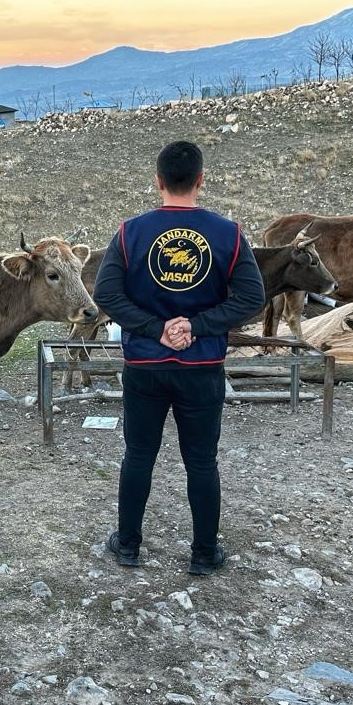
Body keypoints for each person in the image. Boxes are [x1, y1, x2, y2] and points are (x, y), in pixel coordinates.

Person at [94, 141, 265, 575]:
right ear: (201, 180)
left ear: (158, 181)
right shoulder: (229, 233)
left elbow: (106, 294)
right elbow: (252, 296)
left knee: (138, 455)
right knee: (202, 461)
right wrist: (197, 326)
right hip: (202, 368)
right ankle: (204, 555)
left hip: (145, 368)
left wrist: (155, 330)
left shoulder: (130, 233)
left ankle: (128, 545)